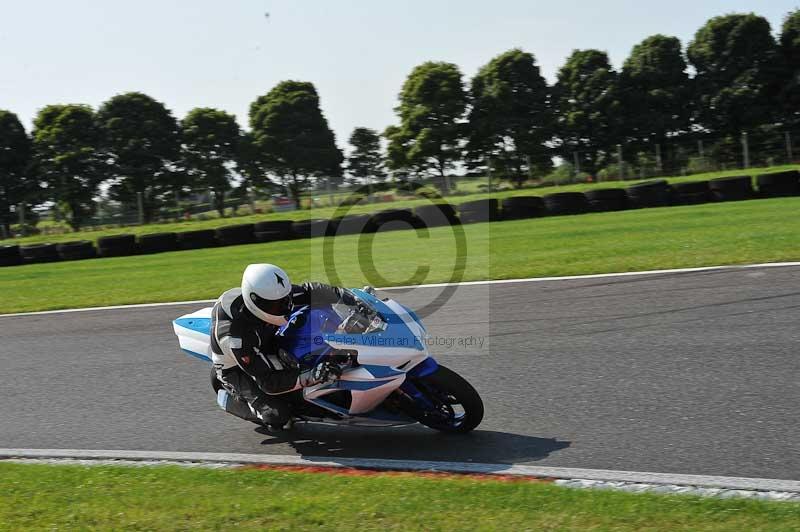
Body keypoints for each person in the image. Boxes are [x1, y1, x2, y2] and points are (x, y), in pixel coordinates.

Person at [210, 263, 359, 429]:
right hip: (238, 368)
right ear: (255, 301)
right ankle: (237, 398)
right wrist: (312, 375)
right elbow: (268, 382)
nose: (284, 307)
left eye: (285, 300)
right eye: (275, 305)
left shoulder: (273, 295)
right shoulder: (237, 338)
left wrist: (349, 298)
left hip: (266, 336)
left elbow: (310, 290)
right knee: (277, 416)